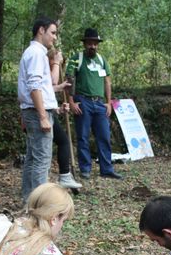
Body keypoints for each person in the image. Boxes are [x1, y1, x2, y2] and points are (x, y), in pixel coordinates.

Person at [18, 17, 69, 202]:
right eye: (53, 33)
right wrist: (42, 116)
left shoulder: (35, 53)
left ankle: (28, 200)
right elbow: (34, 87)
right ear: (41, 30)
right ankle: (38, 206)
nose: (54, 38)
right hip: (36, 113)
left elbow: (42, 87)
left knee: (33, 158)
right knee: (41, 161)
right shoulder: (36, 53)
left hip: (35, 111)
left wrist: (55, 108)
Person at [65, 28, 123, 180]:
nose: (93, 46)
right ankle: (85, 169)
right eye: (90, 43)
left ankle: (107, 168)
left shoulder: (102, 60)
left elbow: (107, 82)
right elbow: (69, 80)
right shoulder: (76, 58)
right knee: (83, 136)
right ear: (85, 44)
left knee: (104, 136)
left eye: (95, 43)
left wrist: (109, 102)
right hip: (83, 101)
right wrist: (71, 101)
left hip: (99, 103)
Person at [48, 50, 82, 190]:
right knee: (61, 142)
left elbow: (46, 96)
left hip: (47, 112)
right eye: (57, 62)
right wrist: (61, 86)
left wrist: (59, 109)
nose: (59, 65)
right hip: (38, 115)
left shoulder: (49, 69)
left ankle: (64, 175)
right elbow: (45, 87)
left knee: (62, 141)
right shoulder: (44, 69)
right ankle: (64, 175)